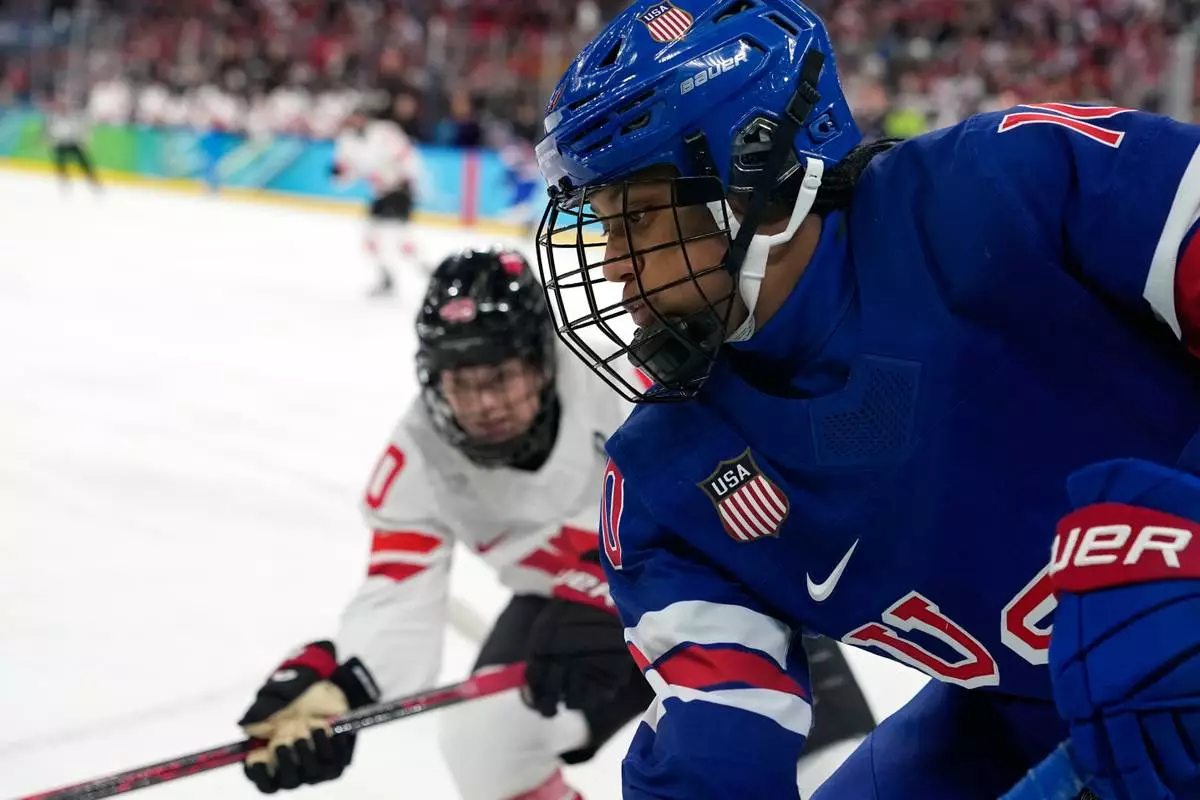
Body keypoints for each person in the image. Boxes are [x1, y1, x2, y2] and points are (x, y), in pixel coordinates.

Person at [531, 1, 1200, 798]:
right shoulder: (664, 481)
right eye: (603, 225)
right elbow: (717, 748)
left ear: (756, 174)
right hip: (1026, 715)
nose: (611, 266)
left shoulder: (1010, 186)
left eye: (637, 217)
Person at [236, 246, 875, 799]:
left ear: (542, 360)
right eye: (461, 382)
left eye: (501, 376)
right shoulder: (418, 459)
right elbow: (399, 596)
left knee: (836, 779)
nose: (484, 404)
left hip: (728, 598)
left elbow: (749, 508)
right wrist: (345, 686)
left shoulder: (627, 376)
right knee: (483, 745)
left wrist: (608, 594)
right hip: (569, 630)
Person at [332, 108, 424, 297]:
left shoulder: (385, 132)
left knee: (402, 239)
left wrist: (409, 180)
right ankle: (388, 278)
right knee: (371, 239)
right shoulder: (347, 140)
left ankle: (429, 273)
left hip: (399, 191)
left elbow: (407, 155)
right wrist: (339, 174)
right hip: (381, 194)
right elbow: (347, 170)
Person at [44, 97, 101, 193]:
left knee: (83, 162)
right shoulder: (53, 117)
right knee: (60, 164)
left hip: (73, 142)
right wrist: (48, 139)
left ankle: (92, 180)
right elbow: (49, 130)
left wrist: (83, 140)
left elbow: (83, 128)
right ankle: (64, 181)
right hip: (60, 143)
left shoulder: (74, 116)